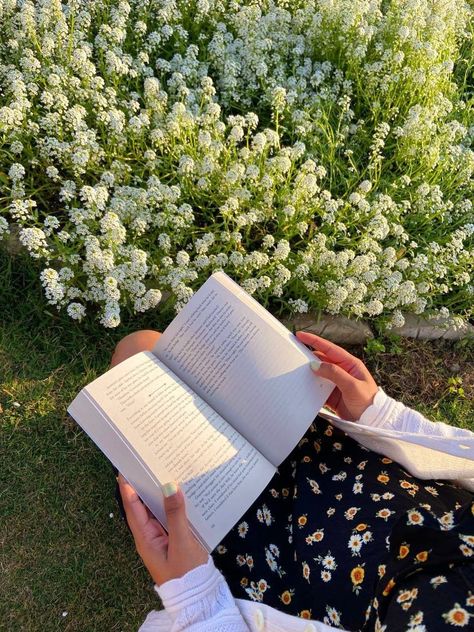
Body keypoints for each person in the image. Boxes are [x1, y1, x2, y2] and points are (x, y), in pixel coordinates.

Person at [111, 329, 474, 631]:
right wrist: (381, 414)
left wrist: (195, 599)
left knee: (136, 358)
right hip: (351, 469)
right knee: (147, 347)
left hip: (283, 561)